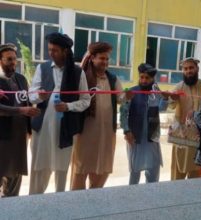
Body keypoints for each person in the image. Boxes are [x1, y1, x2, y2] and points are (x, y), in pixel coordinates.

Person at [28, 32, 91, 194]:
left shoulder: (78, 72)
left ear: (65, 51)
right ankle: (34, 201)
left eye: (55, 50)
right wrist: (39, 95)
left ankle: (60, 202)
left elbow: (86, 100)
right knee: (39, 166)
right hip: (42, 127)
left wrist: (68, 106)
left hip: (65, 128)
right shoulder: (42, 68)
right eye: (49, 50)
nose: (51, 53)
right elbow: (31, 93)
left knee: (62, 168)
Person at [71, 42, 124, 190]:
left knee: (103, 166)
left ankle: (95, 196)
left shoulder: (112, 79)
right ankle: (76, 201)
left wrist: (129, 95)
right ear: (92, 58)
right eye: (102, 58)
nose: (105, 62)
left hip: (107, 132)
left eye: (107, 59)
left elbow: (121, 98)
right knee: (81, 167)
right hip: (85, 131)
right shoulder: (81, 77)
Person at [0, 43, 40, 197]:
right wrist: (21, 110)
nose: (13, 63)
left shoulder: (21, 79)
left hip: (19, 135)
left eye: (15, 59)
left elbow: (27, 101)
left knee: (15, 175)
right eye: (9, 59)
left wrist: (29, 126)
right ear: (0, 60)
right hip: (2, 136)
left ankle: (12, 208)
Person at [120, 63, 169, 185]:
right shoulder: (132, 91)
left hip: (151, 136)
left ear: (153, 79)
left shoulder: (155, 91)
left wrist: (166, 98)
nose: (144, 80)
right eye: (142, 77)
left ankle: (151, 197)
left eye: (147, 78)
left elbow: (161, 108)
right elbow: (123, 112)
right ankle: (132, 197)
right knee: (134, 171)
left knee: (153, 170)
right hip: (135, 136)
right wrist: (127, 131)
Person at [168, 57, 201, 180]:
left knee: (196, 174)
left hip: (200, 138)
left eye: (191, 68)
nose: (188, 71)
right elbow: (170, 105)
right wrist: (172, 98)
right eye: (185, 69)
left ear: (197, 69)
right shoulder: (178, 87)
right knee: (177, 174)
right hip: (181, 137)